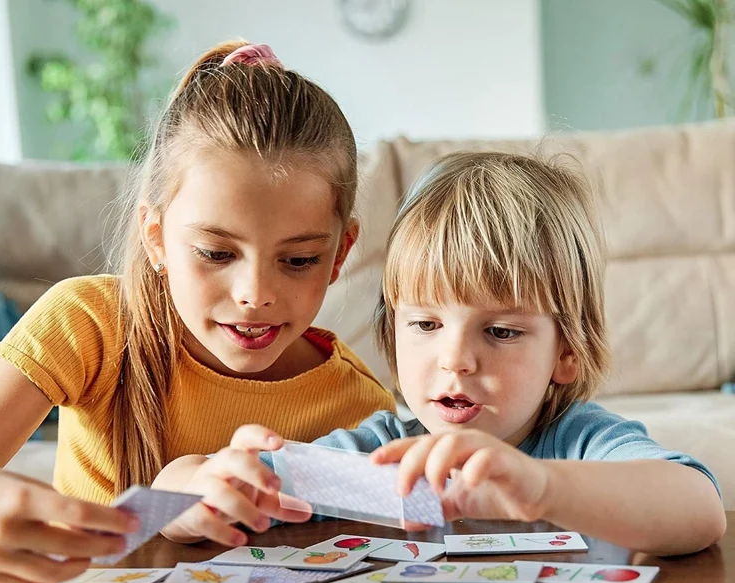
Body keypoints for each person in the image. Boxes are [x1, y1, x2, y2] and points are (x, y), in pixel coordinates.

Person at [0, 41, 394, 583]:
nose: (255, 295)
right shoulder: (88, 323)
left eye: (298, 260)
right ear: (155, 237)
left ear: (341, 254)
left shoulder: (361, 408)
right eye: (216, 254)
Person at [183, 151, 725, 556]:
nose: (455, 360)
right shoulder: (383, 454)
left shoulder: (579, 441)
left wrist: (541, 488)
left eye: (502, 332)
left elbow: (699, 511)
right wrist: (189, 487)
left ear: (566, 352)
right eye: (424, 324)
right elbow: (205, 492)